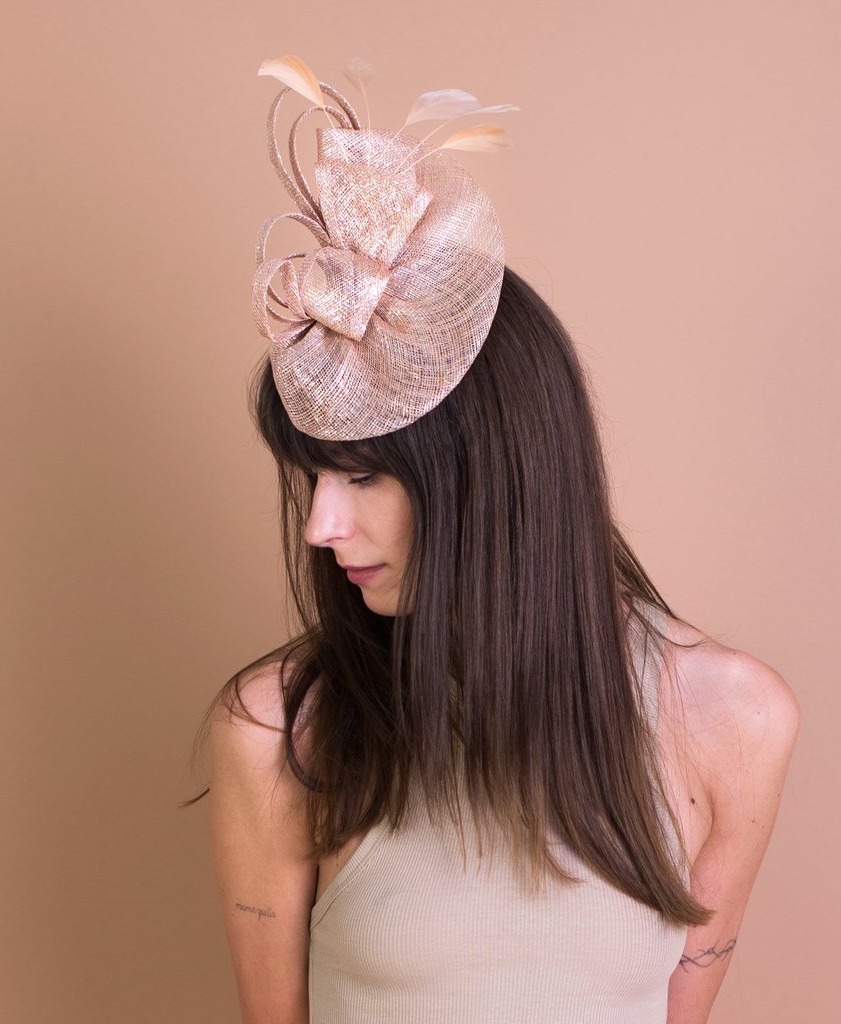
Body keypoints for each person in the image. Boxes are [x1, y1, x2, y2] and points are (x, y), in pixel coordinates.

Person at [183, 54, 800, 1024]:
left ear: (495, 470)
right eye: (314, 477)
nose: (320, 527)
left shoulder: (734, 718)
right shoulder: (279, 733)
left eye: (364, 474)